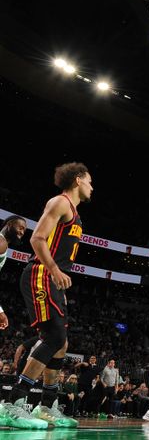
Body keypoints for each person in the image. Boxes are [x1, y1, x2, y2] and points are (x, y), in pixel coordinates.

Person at [0, 163, 91, 430]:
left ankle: (48, 406)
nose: (92, 186)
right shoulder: (59, 202)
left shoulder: (74, 214)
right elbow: (37, 239)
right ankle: (12, 403)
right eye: (89, 181)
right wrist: (53, 269)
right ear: (77, 180)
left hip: (53, 281)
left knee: (61, 344)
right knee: (54, 337)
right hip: (42, 273)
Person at [0, 215, 27, 330]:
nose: (22, 232)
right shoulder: (1, 244)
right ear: (9, 224)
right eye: (20, 228)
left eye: (24, 230)